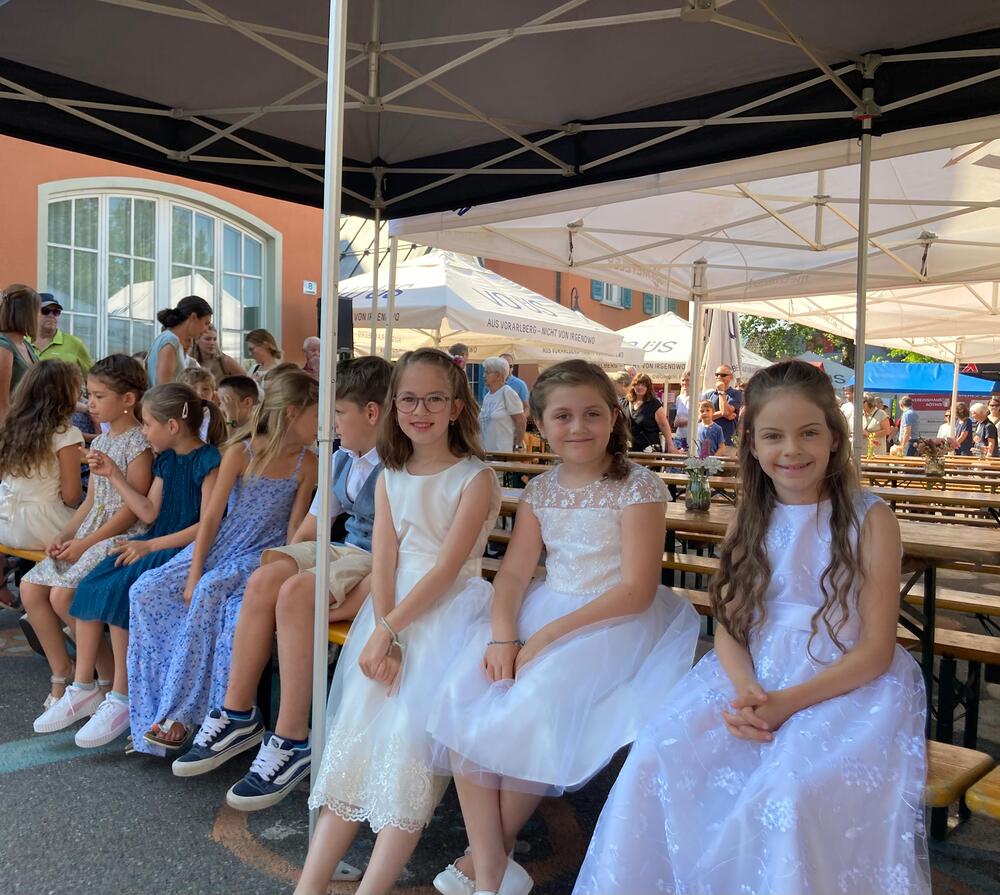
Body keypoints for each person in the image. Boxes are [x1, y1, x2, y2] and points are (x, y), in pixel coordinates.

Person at [574, 359, 929, 895]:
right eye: (774, 436)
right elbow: (730, 626)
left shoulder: (869, 518)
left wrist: (785, 703)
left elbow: (877, 648)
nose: (792, 449)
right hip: (751, 672)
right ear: (754, 447)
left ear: (834, 438)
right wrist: (747, 691)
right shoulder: (750, 517)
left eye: (809, 433)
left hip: (845, 680)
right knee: (656, 754)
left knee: (786, 791)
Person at [428, 360, 699, 895]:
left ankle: (483, 869)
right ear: (540, 422)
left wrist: (546, 639)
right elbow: (513, 574)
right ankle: (493, 865)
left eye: (592, 414)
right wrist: (504, 636)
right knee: (464, 691)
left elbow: (636, 589)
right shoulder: (540, 490)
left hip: (614, 619)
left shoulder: (638, 487)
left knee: (539, 701)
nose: (578, 427)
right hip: (547, 604)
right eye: (563, 416)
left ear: (614, 417)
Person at [297, 348, 500, 895]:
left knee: (409, 755)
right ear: (392, 406)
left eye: (434, 399)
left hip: (447, 619)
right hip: (388, 613)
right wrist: (382, 629)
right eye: (408, 399)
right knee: (356, 744)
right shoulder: (391, 474)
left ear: (457, 407)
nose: (420, 410)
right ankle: (308, 886)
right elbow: (384, 558)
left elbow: (447, 569)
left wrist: (390, 631)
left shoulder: (475, 478)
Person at [172, 357, 392, 811]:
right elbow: (311, 528)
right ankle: (237, 713)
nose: (331, 424)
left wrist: (339, 604)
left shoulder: (395, 467)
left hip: (375, 561)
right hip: (344, 552)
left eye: (338, 414)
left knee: (293, 592)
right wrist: (286, 561)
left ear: (371, 414)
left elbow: (400, 555)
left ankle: (293, 736)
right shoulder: (341, 460)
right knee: (265, 577)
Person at [127, 371, 319, 754]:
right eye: (317, 415)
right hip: (221, 544)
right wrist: (193, 573)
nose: (324, 424)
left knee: (212, 591)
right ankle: (151, 711)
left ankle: (183, 715)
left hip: (262, 554)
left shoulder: (308, 463)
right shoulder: (241, 452)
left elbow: (295, 530)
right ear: (292, 413)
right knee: (145, 591)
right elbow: (212, 517)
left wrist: (283, 568)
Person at [59, 385, 224, 748]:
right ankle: (84, 685)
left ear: (172, 426)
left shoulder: (209, 460)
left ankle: (121, 695)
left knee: (123, 589)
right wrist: (114, 474)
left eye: (148, 424)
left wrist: (149, 545)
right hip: (154, 541)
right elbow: (149, 512)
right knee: (95, 582)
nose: (144, 432)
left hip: (179, 548)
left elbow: (206, 525)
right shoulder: (165, 460)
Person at [21, 355, 152, 728]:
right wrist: (65, 534)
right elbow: (92, 501)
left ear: (128, 399)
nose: (89, 403)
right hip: (92, 531)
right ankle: (81, 675)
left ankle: (102, 682)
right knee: (30, 587)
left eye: (98, 396)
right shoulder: (104, 440)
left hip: (119, 536)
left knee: (63, 596)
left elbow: (130, 511)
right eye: (89, 395)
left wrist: (85, 542)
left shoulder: (139, 443)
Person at [0, 361, 85, 610]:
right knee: (97, 540)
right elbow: (71, 495)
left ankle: (40, 603)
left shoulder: (11, 427)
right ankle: (68, 611)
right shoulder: (66, 434)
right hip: (41, 525)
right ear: (66, 394)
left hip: (5, 521)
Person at [147, 295, 213, 387]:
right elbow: (163, 388)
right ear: (193, 317)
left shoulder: (173, 341)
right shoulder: (170, 341)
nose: (206, 329)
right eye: (206, 323)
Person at [0, 283, 40, 420]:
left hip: (28, 422)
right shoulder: (4, 346)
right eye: (37, 311)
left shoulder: (26, 344)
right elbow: (2, 404)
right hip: (12, 426)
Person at [29, 295, 93, 378]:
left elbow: (93, 378)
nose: (51, 315)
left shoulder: (75, 344)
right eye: (45, 311)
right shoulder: (23, 343)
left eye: (56, 312)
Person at [479, 356, 526, 453]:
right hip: (487, 453)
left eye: (488, 372)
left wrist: (517, 446)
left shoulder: (507, 392)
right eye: (484, 372)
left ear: (499, 375)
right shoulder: (488, 396)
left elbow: (521, 422)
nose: (484, 375)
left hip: (503, 453)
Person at [627, 373, 673, 453]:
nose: (640, 387)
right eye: (637, 384)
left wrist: (670, 445)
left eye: (643, 385)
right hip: (630, 450)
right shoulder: (626, 403)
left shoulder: (654, 404)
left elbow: (664, 425)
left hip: (649, 451)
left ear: (648, 388)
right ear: (633, 386)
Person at [700, 364, 742, 450]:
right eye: (717, 374)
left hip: (727, 443)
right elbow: (700, 417)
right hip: (708, 442)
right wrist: (723, 414)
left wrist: (721, 391)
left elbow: (725, 411)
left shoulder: (736, 394)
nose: (719, 377)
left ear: (730, 377)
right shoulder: (708, 395)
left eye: (723, 375)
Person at [673, 369, 691, 451]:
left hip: (691, 437)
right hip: (679, 436)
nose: (685, 382)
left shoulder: (699, 397)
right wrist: (676, 422)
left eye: (687, 380)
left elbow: (700, 418)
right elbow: (677, 417)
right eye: (683, 380)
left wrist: (685, 421)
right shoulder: (679, 398)